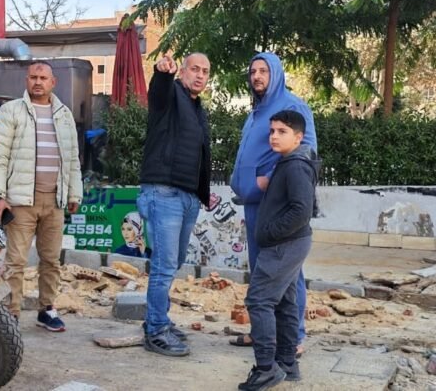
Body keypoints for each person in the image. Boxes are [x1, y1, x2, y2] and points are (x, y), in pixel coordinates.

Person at [229, 52, 317, 354]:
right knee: (262, 270)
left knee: (286, 272)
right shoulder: (256, 112)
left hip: (275, 204)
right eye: (253, 71)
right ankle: (264, 331)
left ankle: (294, 338)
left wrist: (270, 179)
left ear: (276, 74)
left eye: (263, 71)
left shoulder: (291, 106)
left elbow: (307, 150)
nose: (256, 76)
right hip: (253, 204)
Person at [0, 60, 83, 332]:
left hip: (54, 200)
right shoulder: (11, 111)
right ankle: (11, 313)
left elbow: (72, 159)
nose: (38, 82)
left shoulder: (64, 114)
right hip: (20, 201)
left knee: (51, 260)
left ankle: (47, 310)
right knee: (16, 260)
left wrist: (74, 193)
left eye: (43, 78)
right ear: (26, 80)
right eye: (33, 77)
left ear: (53, 82)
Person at [238, 110, 320, 391]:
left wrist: (270, 233)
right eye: (272, 131)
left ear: (298, 137)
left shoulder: (295, 166)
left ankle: (266, 369)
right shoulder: (288, 162)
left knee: (258, 300)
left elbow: (301, 211)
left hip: (284, 244)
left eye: (282, 131)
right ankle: (287, 364)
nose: (274, 136)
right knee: (285, 303)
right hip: (289, 243)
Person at [137, 52, 211, 357]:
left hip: (188, 196)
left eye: (205, 71)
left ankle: (159, 320)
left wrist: (202, 194)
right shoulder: (170, 95)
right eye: (194, 69)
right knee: (164, 265)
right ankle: (156, 330)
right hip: (163, 191)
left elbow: (199, 155)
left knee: (174, 261)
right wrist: (161, 72)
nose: (200, 75)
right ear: (182, 71)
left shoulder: (197, 107)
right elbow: (158, 92)